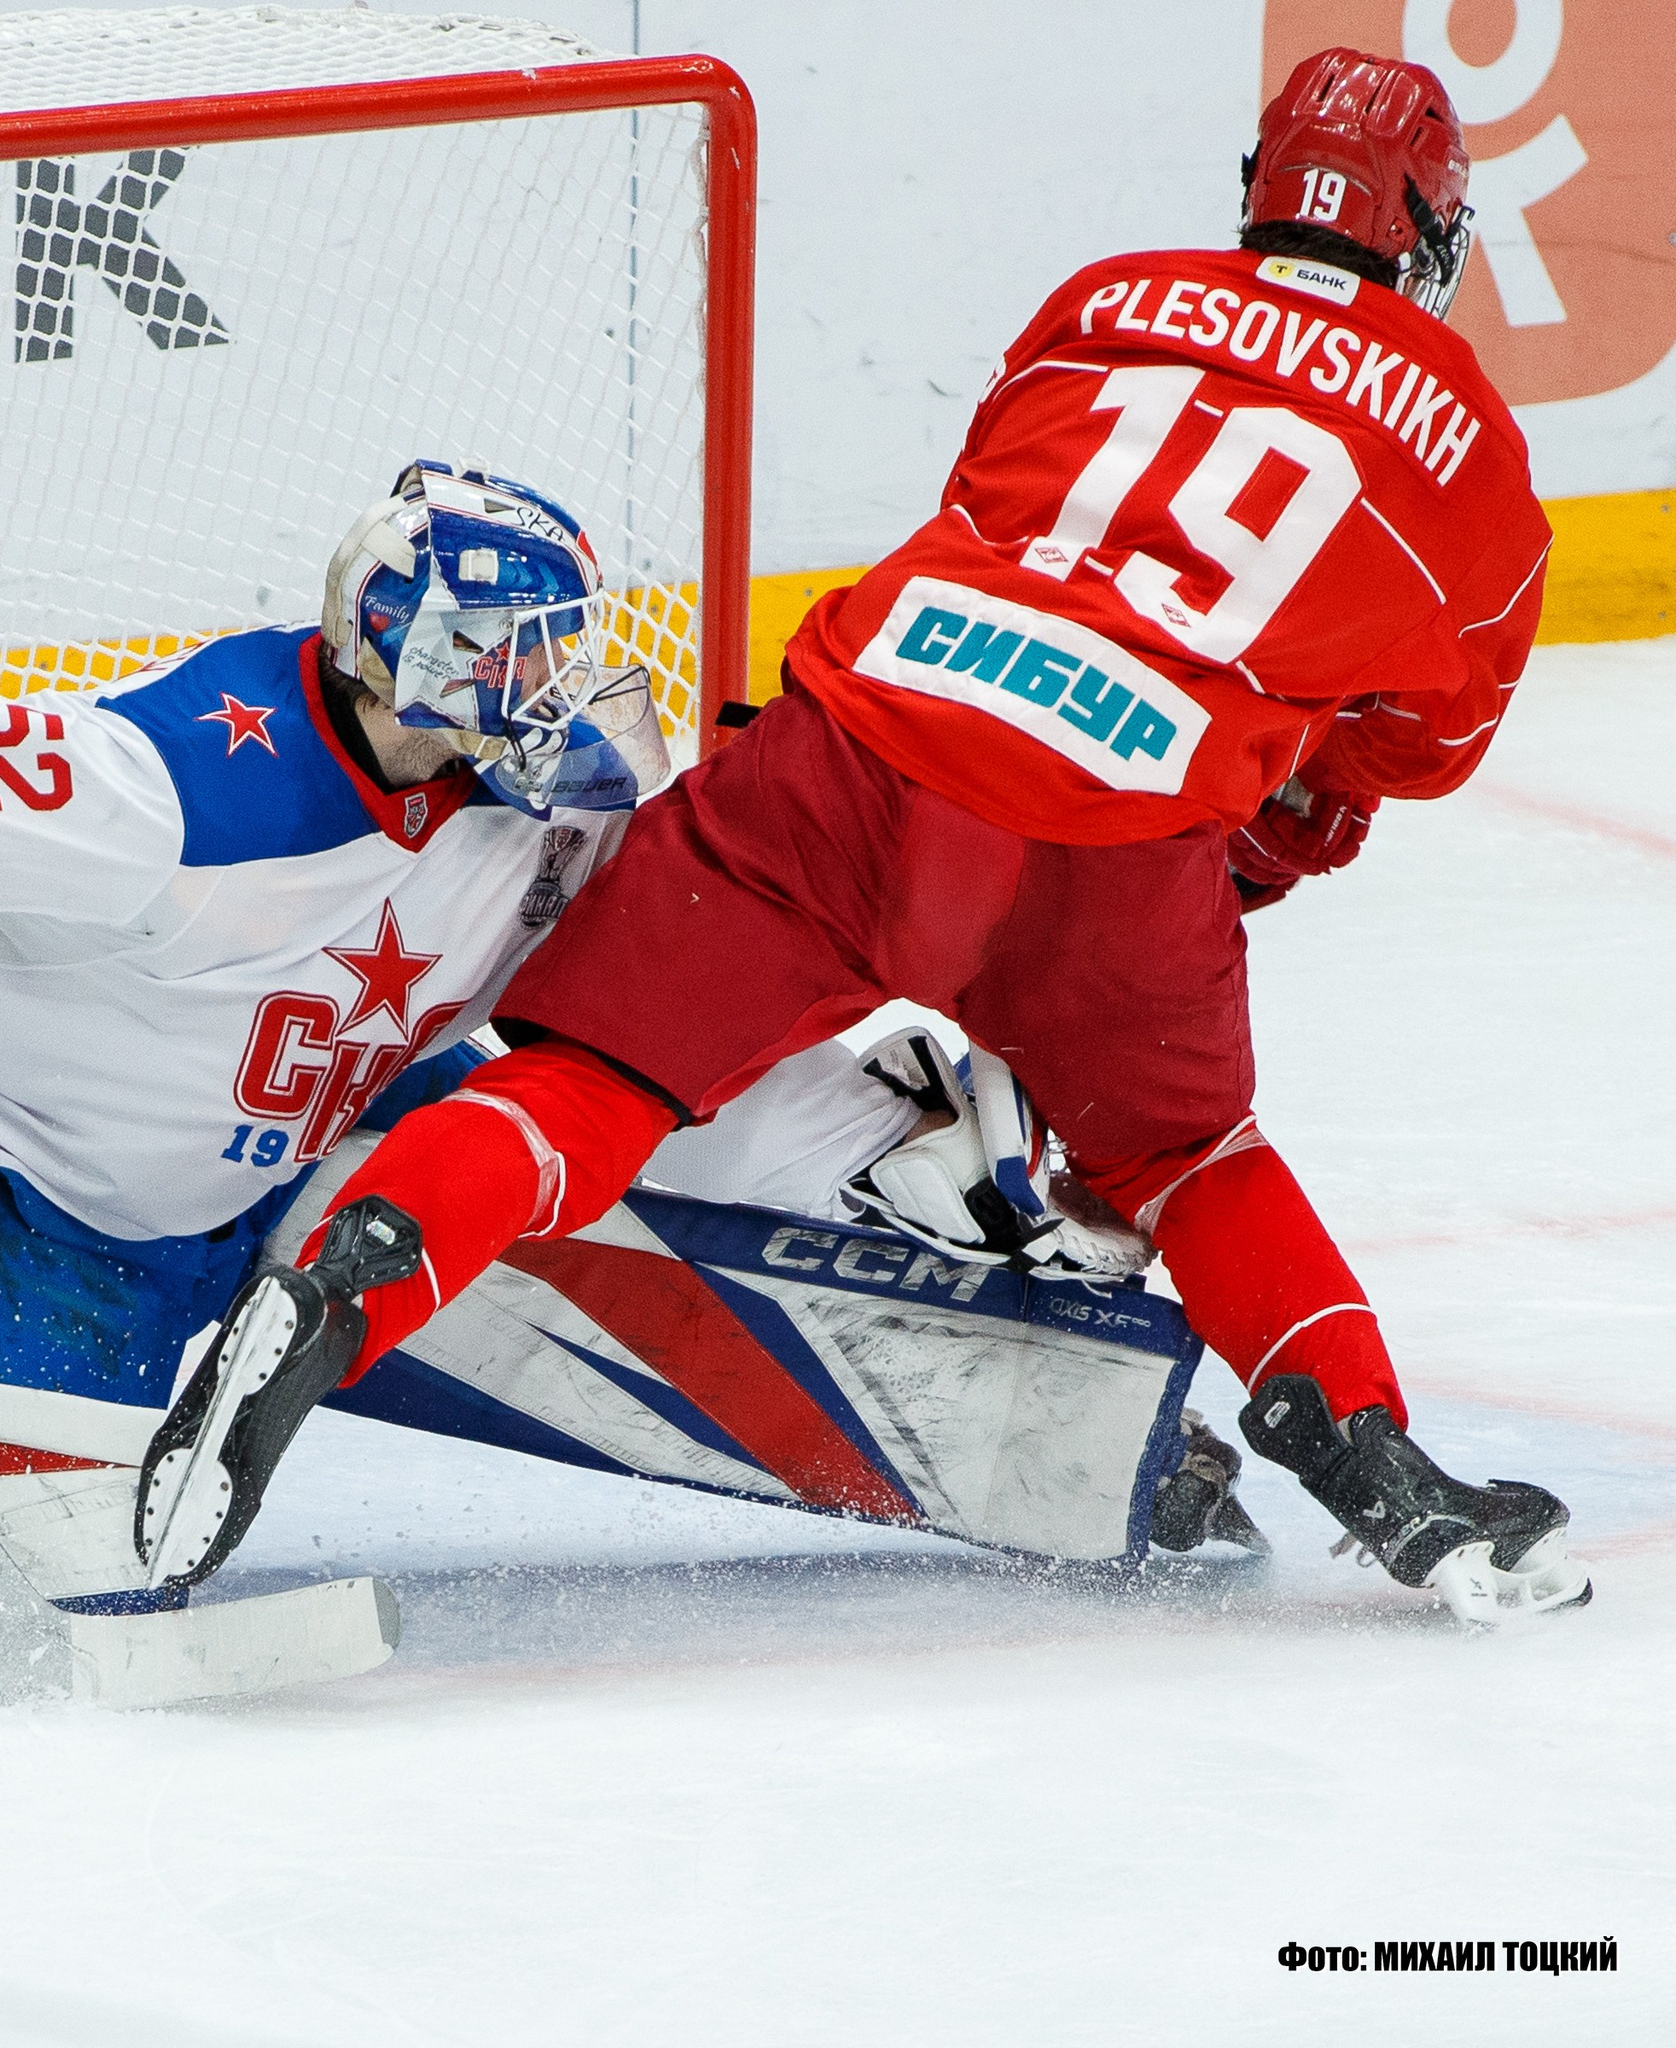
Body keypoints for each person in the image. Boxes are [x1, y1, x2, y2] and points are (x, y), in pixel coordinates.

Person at [150, 49, 1592, 1624]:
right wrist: (1262, 827)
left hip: (862, 737)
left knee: (596, 1084)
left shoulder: (1107, 299)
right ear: (1432, 236)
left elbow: (1000, 506)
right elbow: (1414, 753)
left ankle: (344, 1279)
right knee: (1191, 1158)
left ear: (1259, 194)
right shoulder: (1480, 464)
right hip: (1109, 843)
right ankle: (1384, 1475)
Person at [0, 458, 1188, 1619]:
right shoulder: (178, 790)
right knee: (60, 1570)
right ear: (412, 653)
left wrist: (877, 1141)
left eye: (560, 645)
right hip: (12, 1172)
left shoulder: (537, 817)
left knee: (512, 1173)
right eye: (517, 647)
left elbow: (643, 1046)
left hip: (305, 1158)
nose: (556, 681)